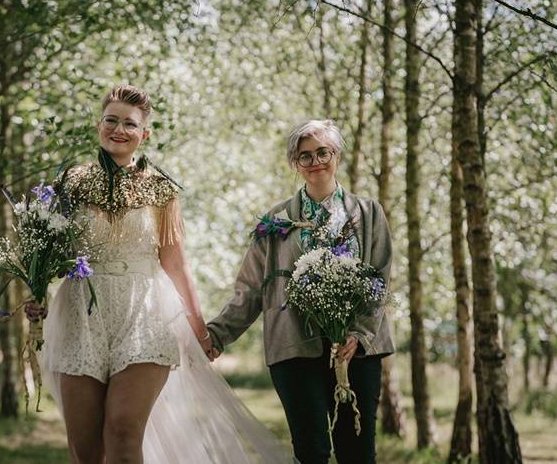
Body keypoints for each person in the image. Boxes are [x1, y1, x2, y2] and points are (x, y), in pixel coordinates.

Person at [27, 85, 291, 464]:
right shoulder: (71, 182)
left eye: (130, 124)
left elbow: (176, 263)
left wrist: (200, 329)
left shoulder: (161, 188)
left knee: (122, 430)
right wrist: (36, 294)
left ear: (144, 134)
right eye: (111, 120)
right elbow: (49, 252)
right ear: (98, 125)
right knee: (85, 449)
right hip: (83, 313)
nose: (119, 129)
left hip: (145, 314)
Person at [206, 119, 394, 464]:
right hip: (294, 352)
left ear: (337, 154)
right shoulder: (275, 222)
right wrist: (216, 335)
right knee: (312, 453)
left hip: (358, 353)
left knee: (358, 454)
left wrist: (359, 334)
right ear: (295, 163)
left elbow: (378, 279)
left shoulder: (368, 213)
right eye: (304, 156)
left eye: (323, 152)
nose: (315, 161)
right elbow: (249, 290)